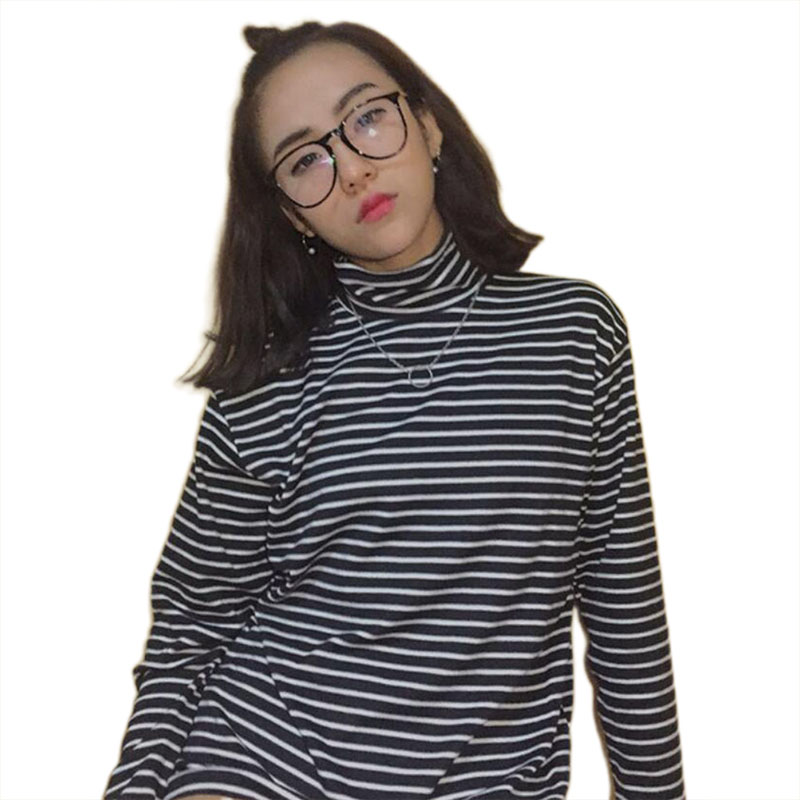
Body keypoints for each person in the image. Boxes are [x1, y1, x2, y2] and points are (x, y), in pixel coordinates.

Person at [103, 20, 685, 800]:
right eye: (306, 160)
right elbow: (190, 625)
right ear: (292, 215)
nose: (352, 169)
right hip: (262, 762)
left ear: (430, 125)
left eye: (368, 117)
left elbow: (623, 605)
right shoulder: (264, 384)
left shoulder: (574, 335)